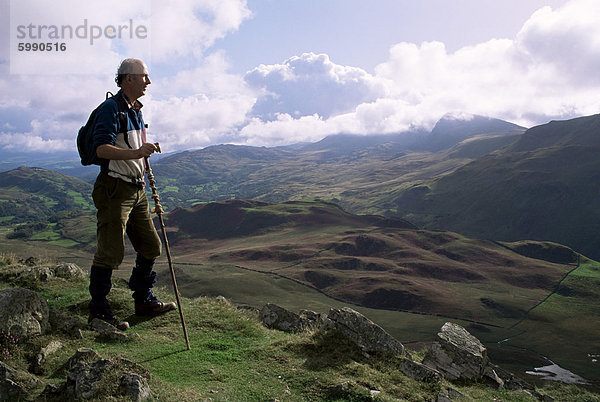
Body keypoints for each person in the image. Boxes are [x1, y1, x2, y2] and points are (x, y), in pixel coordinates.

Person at [88, 58, 175, 331]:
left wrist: (144, 149)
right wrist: (137, 153)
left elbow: (128, 145)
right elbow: (101, 148)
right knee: (110, 253)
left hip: (136, 189)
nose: (148, 82)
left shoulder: (134, 110)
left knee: (151, 246)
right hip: (115, 188)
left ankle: (143, 300)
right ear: (128, 79)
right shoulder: (110, 110)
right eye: (143, 77)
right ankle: (98, 312)